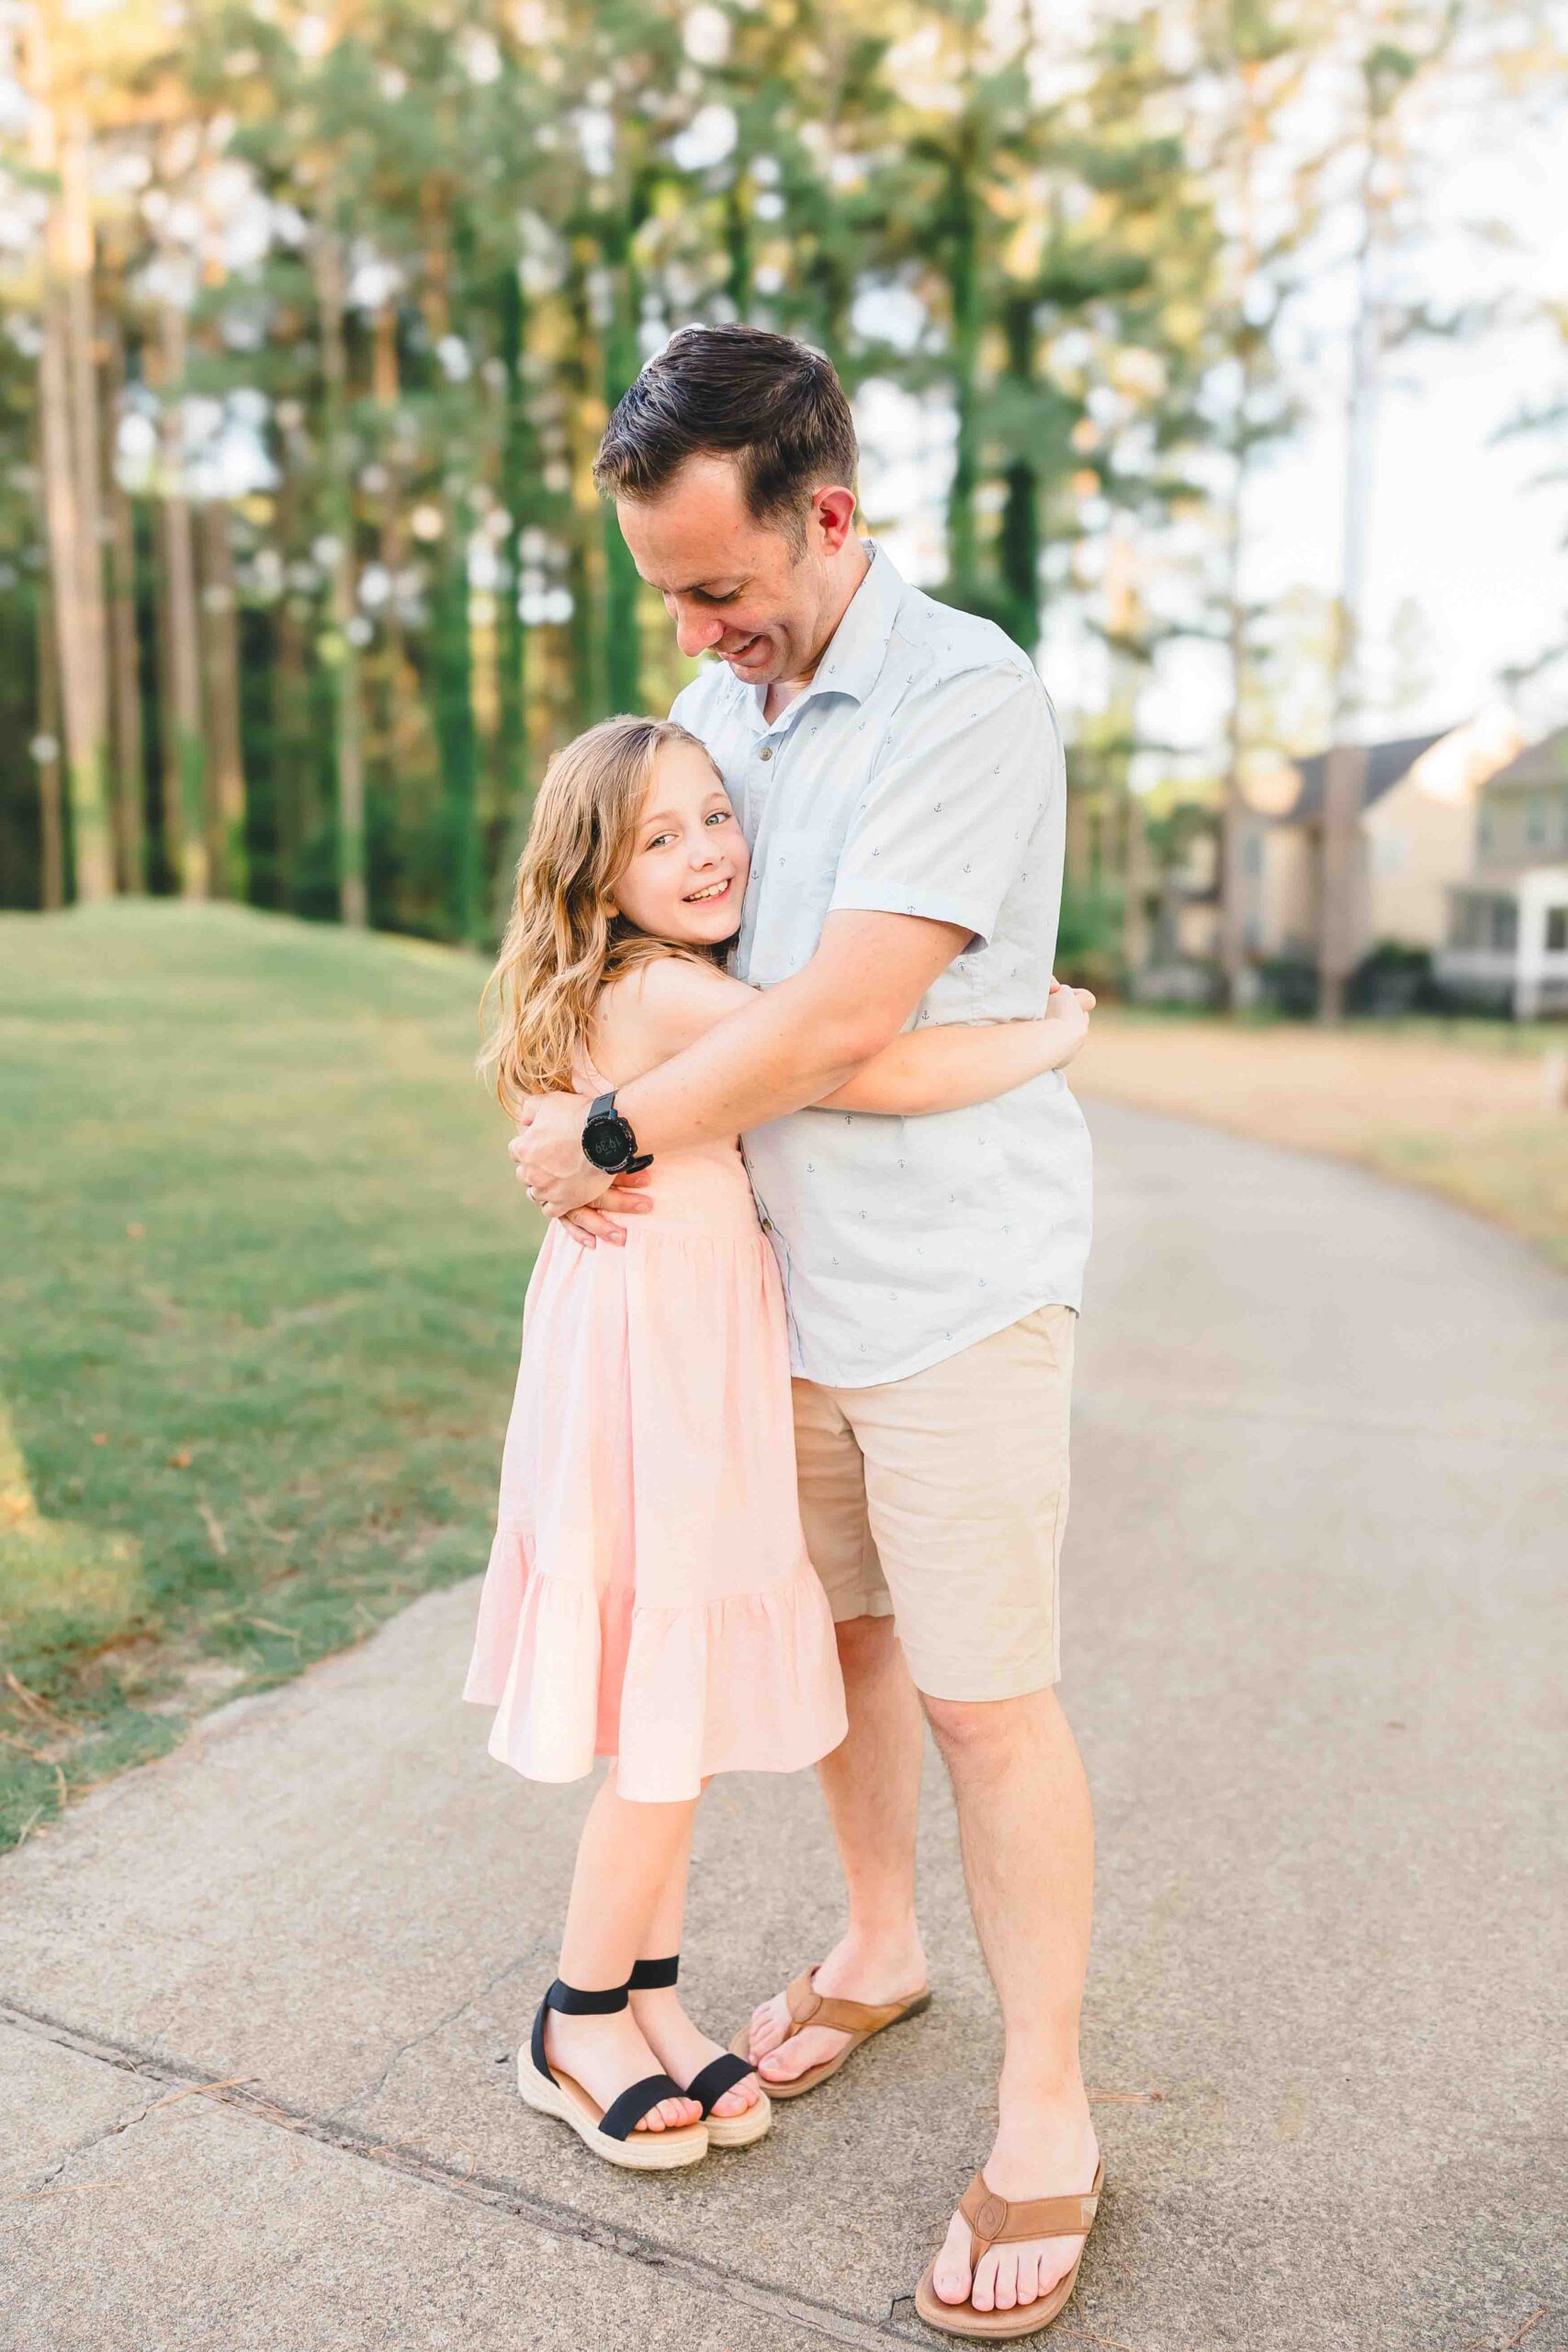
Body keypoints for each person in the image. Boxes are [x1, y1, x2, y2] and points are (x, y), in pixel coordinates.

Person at [510, 323, 1100, 2336]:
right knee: (841, 1650)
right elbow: (636, 944)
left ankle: (1045, 2114)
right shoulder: (713, 708)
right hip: (769, 1306)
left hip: (947, 1300)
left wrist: (596, 1128)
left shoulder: (963, 692)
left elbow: (844, 1025)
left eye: (716, 586)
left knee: (979, 1696)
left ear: (824, 514)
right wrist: (586, 1113)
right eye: (670, 592)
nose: (692, 629)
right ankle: (873, 1944)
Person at [467, 709, 1093, 2185]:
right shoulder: (678, 999)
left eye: (712, 815)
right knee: (662, 1723)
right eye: (658, 837)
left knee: (664, 1696)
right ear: (596, 877)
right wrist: (1056, 1033)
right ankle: (574, 2017)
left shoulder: (621, 988)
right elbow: (872, 1067)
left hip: (645, 1358)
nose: (704, 850)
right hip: (662, 1379)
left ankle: (651, 1998)